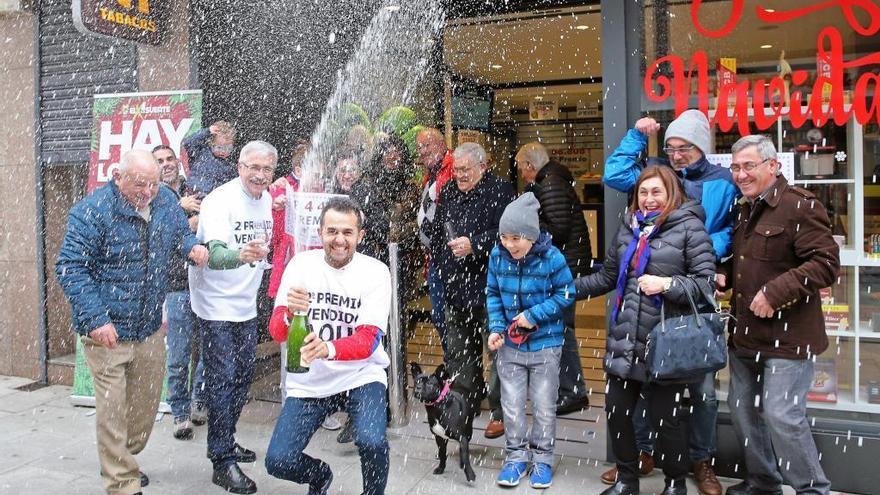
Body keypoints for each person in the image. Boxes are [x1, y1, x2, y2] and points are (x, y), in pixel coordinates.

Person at [601, 110, 739, 493]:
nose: (677, 154)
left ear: (702, 148)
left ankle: (698, 464)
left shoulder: (721, 182)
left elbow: (728, 229)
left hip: (684, 313)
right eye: (672, 147)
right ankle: (640, 461)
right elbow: (614, 174)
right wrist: (635, 136)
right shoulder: (653, 182)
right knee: (631, 406)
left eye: (685, 148)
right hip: (643, 321)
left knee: (700, 397)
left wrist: (701, 255)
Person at [55, 149, 208, 495]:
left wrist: (190, 246)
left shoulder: (164, 201)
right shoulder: (92, 212)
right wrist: (96, 319)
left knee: (145, 406)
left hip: (148, 326)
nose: (148, 192)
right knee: (111, 409)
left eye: (153, 184)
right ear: (118, 177)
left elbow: (178, 232)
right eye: (140, 184)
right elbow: (69, 267)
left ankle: (123, 454)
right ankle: (122, 480)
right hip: (106, 331)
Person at [575, 165, 716, 495]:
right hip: (626, 339)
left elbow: (705, 284)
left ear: (671, 194)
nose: (649, 200)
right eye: (644, 193)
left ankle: (675, 483)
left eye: (657, 192)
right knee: (618, 414)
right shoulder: (629, 228)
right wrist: (565, 288)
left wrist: (668, 283)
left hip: (665, 343)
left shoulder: (689, 228)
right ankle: (627, 481)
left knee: (666, 420)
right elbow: (608, 277)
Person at [717, 135, 839, 495]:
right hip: (745, 336)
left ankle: (812, 489)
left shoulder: (799, 206)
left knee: (782, 416)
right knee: (743, 413)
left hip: (789, 337)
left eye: (749, 166)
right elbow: (750, 259)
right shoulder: (745, 207)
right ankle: (764, 483)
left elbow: (826, 263)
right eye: (736, 167)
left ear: (773, 165)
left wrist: (774, 292)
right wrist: (725, 271)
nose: (740, 174)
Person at [264, 197, 392, 495]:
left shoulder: (375, 272)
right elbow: (277, 331)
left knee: (372, 441)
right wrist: (288, 315)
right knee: (278, 461)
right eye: (332, 231)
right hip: (311, 379)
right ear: (320, 232)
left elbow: (369, 340)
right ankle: (320, 475)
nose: (339, 240)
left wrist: (328, 348)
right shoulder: (300, 266)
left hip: (361, 374)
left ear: (361, 235)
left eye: (347, 232)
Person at [188, 140, 278, 494]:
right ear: (239, 166)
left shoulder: (267, 199)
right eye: (253, 167)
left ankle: (227, 436)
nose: (259, 175)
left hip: (244, 303)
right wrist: (241, 255)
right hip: (215, 305)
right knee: (223, 380)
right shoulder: (219, 200)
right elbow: (215, 254)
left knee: (242, 377)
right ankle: (221, 460)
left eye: (266, 170)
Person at [485, 192, 575, 489]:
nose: (509, 245)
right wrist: (497, 328)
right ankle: (515, 458)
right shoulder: (498, 255)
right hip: (510, 346)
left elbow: (566, 294)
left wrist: (533, 315)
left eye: (515, 238)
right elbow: (493, 293)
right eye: (504, 237)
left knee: (543, 405)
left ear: (532, 236)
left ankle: (543, 460)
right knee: (510, 405)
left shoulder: (552, 258)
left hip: (546, 345)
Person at [431, 142, 514, 438]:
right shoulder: (450, 191)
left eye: (466, 169)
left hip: (489, 288)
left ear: (482, 166)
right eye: (457, 170)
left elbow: (507, 235)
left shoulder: (500, 190)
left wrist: (475, 245)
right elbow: (439, 232)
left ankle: (499, 413)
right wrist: (443, 266)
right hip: (456, 288)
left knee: (498, 355)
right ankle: (463, 408)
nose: (461, 175)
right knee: (459, 355)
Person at [515, 142, 591, 416]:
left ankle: (572, 391)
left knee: (561, 331)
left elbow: (557, 231)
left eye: (523, 168)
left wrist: (528, 226)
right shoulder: (551, 182)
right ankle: (565, 389)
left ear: (531, 166)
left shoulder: (549, 184)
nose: (523, 174)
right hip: (564, 267)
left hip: (563, 269)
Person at [152, 145, 208, 439]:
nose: (166, 164)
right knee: (179, 354)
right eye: (159, 161)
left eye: (169, 159)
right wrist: (182, 215)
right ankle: (180, 413)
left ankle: (199, 399)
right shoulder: (153, 197)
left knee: (208, 350)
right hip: (175, 287)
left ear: (178, 161)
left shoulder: (195, 187)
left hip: (204, 282)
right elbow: (156, 235)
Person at [416, 127, 454, 356]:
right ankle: (455, 372)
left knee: (448, 318)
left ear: (440, 145)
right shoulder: (431, 172)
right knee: (441, 317)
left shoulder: (451, 168)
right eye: (419, 147)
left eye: (426, 145)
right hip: (435, 258)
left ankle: (460, 376)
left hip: (448, 258)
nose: (422, 151)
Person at [183, 120, 238, 197]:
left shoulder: (230, 165)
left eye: (228, 148)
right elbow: (188, 143)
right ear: (210, 143)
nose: (222, 152)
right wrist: (207, 131)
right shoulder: (200, 152)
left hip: (216, 197)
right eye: (219, 147)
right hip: (195, 194)